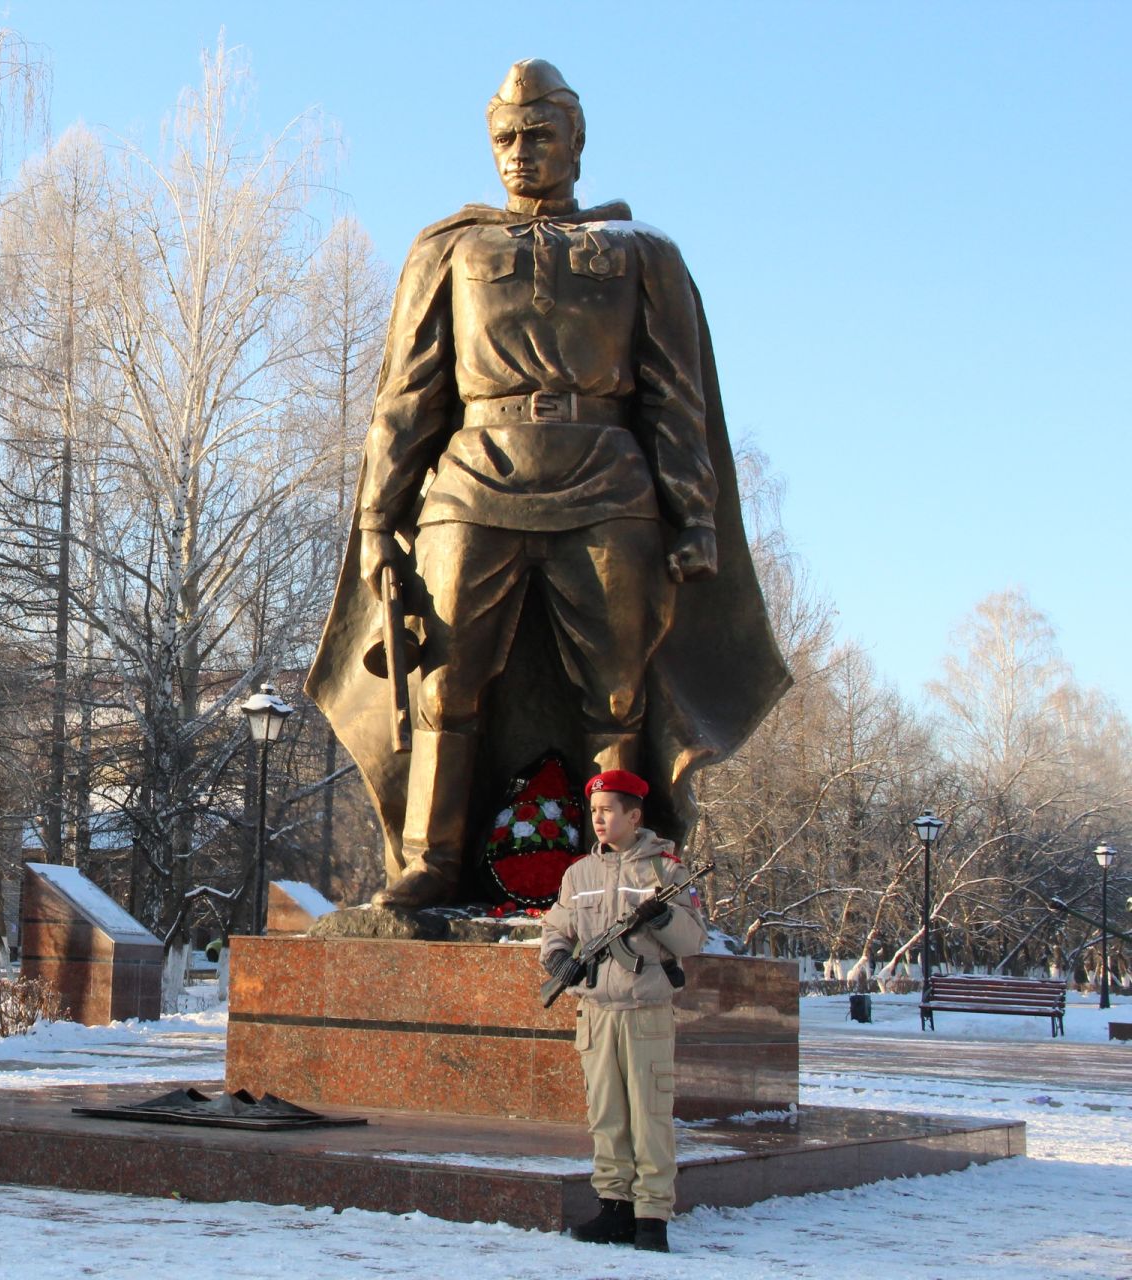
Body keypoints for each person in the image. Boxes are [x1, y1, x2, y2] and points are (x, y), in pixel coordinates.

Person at [303, 58, 786, 912]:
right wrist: (378, 519)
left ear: (576, 139)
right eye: (505, 139)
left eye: (538, 136)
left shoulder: (645, 254)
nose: (519, 153)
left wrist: (694, 514)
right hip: (473, 478)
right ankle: (431, 861)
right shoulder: (450, 248)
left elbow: (677, 393)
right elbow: (408, 397)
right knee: (445, 683)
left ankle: (622, 869)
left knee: (618, 691)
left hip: (608, 478)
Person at [540, 768, 706, 1253]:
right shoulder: (579, 874)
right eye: (594, 811)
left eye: (608, 810)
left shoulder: (666, 871)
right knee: (606, 1115)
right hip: (596, 1014)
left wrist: (665, 916)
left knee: (650, 1116)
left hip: (644, 1010)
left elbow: (693, 940)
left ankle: (651, 1216)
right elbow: (558, 928)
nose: (599, 819)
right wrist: (557, 959)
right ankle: (613, 1207)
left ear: (634, 816)